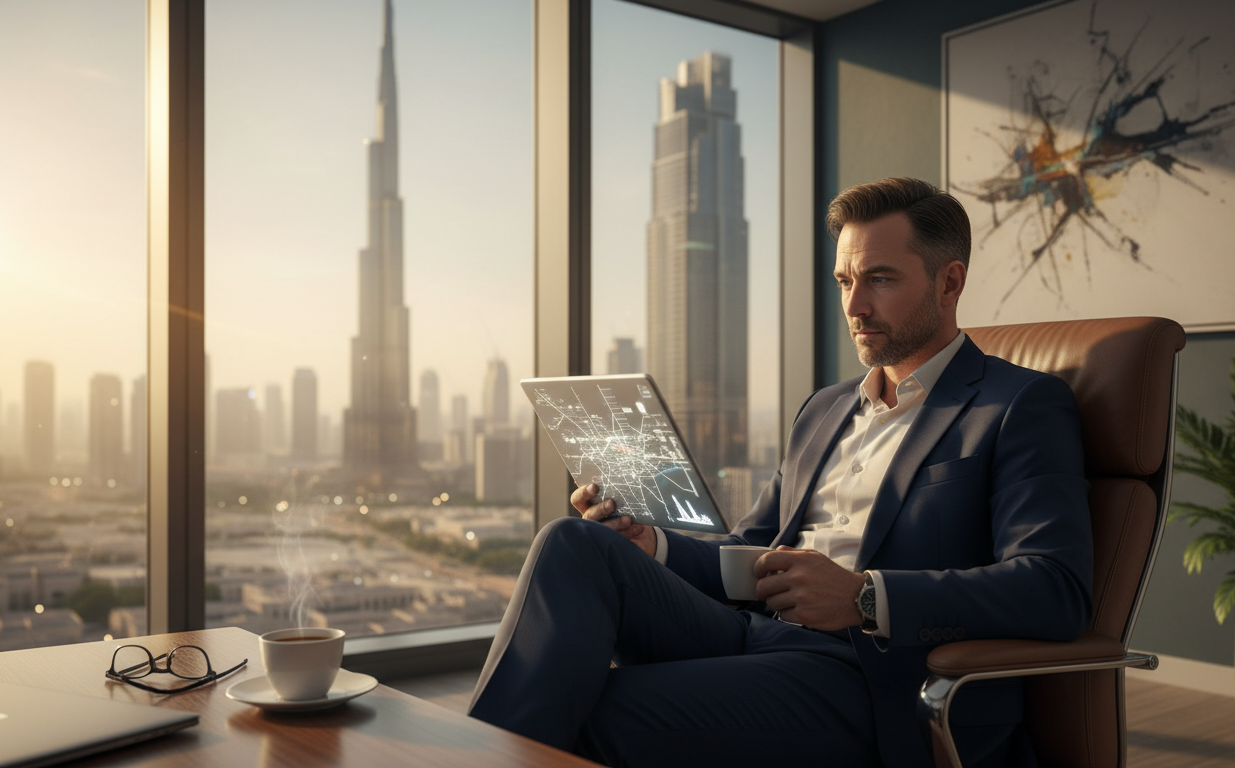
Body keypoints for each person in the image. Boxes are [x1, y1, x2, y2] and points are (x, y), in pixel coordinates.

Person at [468, 177, 1093, 768]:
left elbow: (1055, 589)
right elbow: (749, 555)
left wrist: (866, 596)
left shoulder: (1016, 406)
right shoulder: (825, 408)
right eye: (844, 280)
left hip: (871, 677)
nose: (854, 305)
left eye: (880, 279)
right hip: (757, 634)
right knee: (574, 542)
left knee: (594, 712)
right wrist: (650, 545)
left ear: (949, 282)